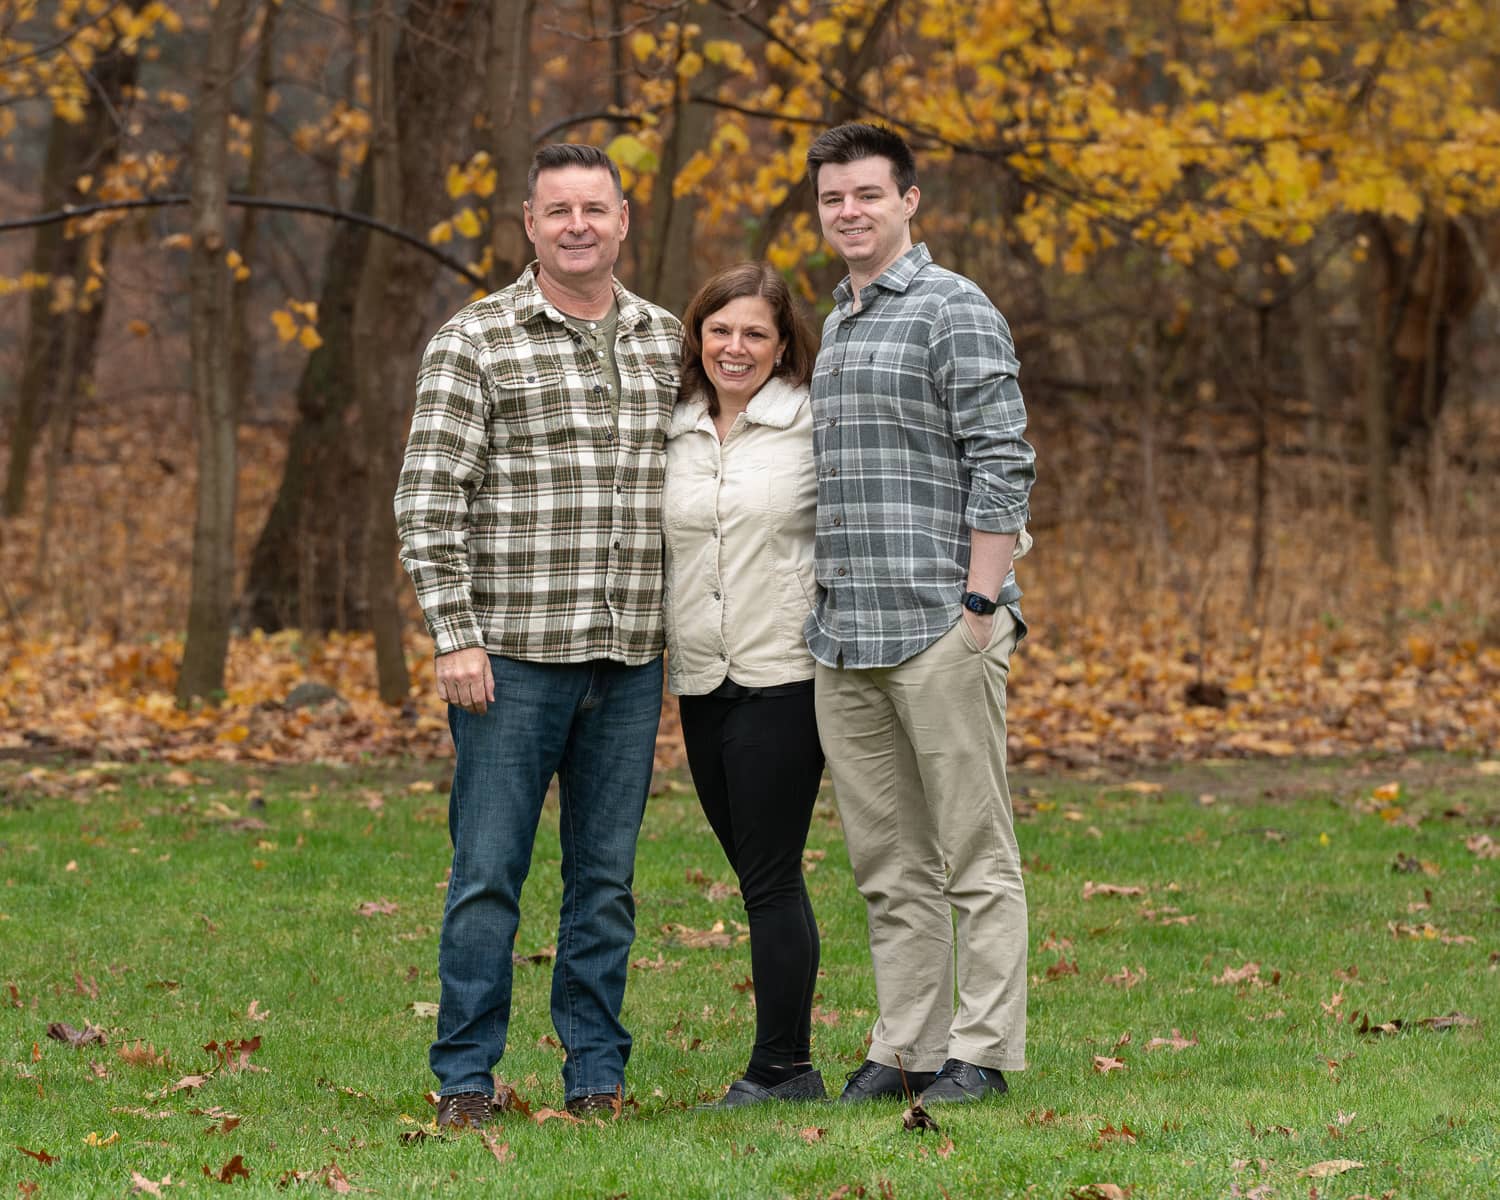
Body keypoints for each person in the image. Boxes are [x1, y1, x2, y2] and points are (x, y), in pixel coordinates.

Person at [394, 143, 682, 1128]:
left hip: (629, 660)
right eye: (557, 210)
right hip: (509, 662)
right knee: (487, 877)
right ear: (529, 224)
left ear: (623, 220)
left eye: (594, 208)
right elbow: (429, 499)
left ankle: (596, 1075)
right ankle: (465, 1079)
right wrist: (454, 635)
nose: (577, 226)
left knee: (605, 884)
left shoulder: (665, 340)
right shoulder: (475, 340)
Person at [802, 123, 1037, 1106]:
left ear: (908, 201)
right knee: (888, 861)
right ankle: (908, 1045)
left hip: (942, 623)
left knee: (973, 853)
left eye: (867, 194)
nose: (848, 211)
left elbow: (1003, 459)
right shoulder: (837, 322)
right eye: (832, 198)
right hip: (847, 636)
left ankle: (982, 1051)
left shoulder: (953, 307)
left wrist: (979, 603)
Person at [663, 263, 826, 1108]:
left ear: (783, 344)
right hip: (700, 677)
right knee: (761, 874)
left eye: (755, 333)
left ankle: (782, 1068)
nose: (735, 347)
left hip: (784, 676)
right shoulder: (675, 426)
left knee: (769, 877)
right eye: (720, 329)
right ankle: (788, 1063)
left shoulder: (813, 422)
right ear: (697, 336)